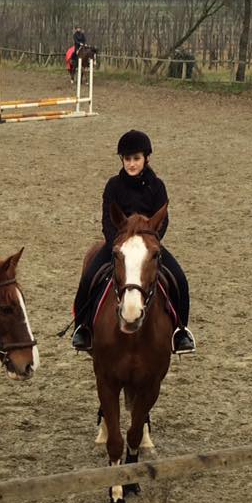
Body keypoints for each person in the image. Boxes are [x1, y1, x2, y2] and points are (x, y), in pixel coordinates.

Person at [71, 130, 196, 354]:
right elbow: (108, 220)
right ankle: (83, 327)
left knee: (180, 279)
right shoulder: (113, 186)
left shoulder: (157, 186)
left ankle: (181, 331)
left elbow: (162, 220)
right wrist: (119, 245)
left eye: (136, 158)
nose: (131, 164)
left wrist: (150, 243)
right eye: (127, 159)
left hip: (147, 246)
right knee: (89, 277)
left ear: (146, 158)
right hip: (119, 245)